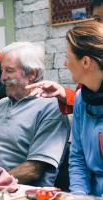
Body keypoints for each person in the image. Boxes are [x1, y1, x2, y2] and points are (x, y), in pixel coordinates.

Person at [0, 42, 70, 187]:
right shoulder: (1, 105)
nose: (2, 78)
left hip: (18, 191)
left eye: (9, 71)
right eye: (2, 70)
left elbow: (33, 169)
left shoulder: (51, 108)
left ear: (32, 74)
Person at [25, 0, 103, 115]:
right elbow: (89, 101)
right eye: (97, 19)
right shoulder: (91, 72)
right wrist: (63, 93)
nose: (100, 26)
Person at [65, 21, 103, 196]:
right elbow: (78, 158)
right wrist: (79, 195)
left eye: (68, 57)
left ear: (86, 61)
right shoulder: (80, 99)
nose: (65, 63)